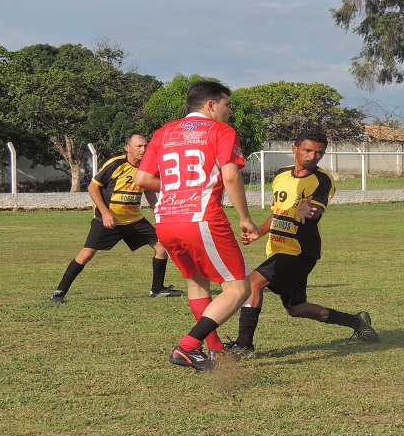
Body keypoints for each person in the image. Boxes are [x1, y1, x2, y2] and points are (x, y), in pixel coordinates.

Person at [134, 80, 257, 371]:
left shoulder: (163, 133)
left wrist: (179, 190)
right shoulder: (221, 131)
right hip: (202, 218)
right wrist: (246, 218)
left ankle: (215, 350)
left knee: (197, 282)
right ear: (211, 104)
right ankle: (188, 347)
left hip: (166, 221)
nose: (229, 111)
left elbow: (142, 180)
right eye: (227, 104)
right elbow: (230, 177)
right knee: (239, 289)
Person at [225, 128, 379, 359]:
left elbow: (314, 210)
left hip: (300, 251)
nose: (312, 156)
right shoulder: (280, 175)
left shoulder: (323, 180)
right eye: (307, 150)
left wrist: (308, 209)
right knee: (295, 308)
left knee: (253, 285)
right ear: (294, 149)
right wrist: (259, 232)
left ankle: (244, 344)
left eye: (319, 153)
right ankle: (356, 321)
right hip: (278, 248)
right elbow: (277, 212)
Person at [49, 134, 182, 304]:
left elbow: (148, 189)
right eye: (139, 146)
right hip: (108, 219)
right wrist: (105, 213)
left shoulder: (147, 166)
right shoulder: (116, 164)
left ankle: (157, 290)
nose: (143, 150)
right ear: (128, 148)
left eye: (145, 146)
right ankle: (59, 292)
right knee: (87, 253)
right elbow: (92, 187)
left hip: (134, 219)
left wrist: (157, 210)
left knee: (162, 247)